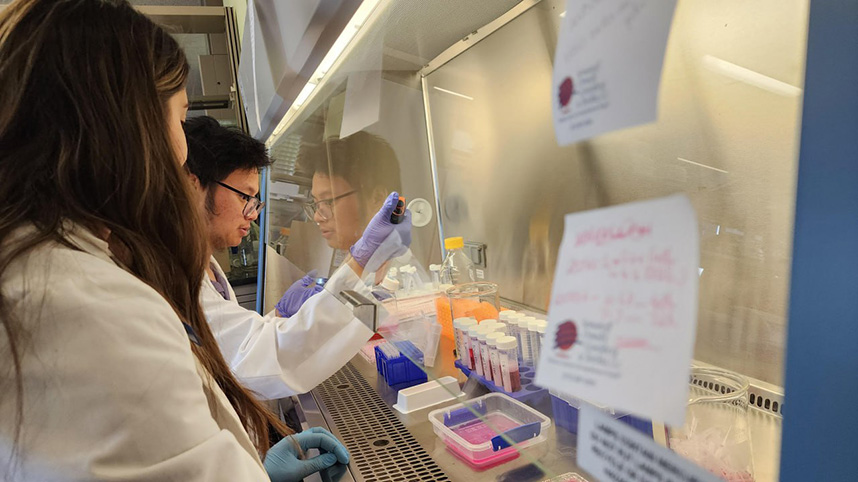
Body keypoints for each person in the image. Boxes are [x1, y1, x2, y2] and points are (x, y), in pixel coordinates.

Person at [0, 1, 347, 480]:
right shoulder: (84, 305)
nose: (184, 153)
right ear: (128, 125)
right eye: (180, 117)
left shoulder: (57, 267)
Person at [183, 116, 411, 400]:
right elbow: (255, 361)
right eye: (245, 197)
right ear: (193, 187)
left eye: (328, 201)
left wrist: (277, 317)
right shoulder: (176, 280)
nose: (252, 214)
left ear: (378, 197)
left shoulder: (205, 269)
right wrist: (363, 260)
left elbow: (240, 347)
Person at [299, 132, 403, 252]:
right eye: (316, 204)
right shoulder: (360, 263)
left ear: (377, 198)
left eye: (328, 202)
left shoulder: (395, 268)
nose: (317, 217)